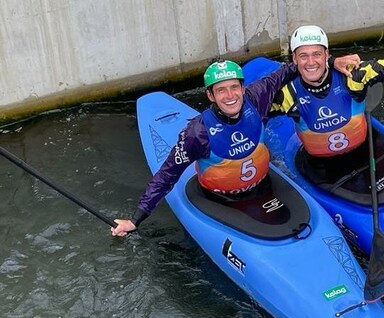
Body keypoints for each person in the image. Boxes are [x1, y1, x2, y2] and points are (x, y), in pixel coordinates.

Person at [111, 55, 360, 237]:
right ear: (210, 95)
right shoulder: (197, 133)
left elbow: (290, 70)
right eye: (221, 91)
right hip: (221, 202)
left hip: (263, 187)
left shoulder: (257, 96)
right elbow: (167, 174)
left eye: (234, 88)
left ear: (243, 88)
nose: (230, 96)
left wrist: (331, 61)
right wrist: (136, 219)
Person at [269, 22, 384, 197]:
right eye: (303, 56)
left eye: (317, 54)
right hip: (321, 171)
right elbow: (250, 112)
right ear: (294, 59)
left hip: (365, 154)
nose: (311, 62)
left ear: (327, 55)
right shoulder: (287, 93)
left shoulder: (352, 76)